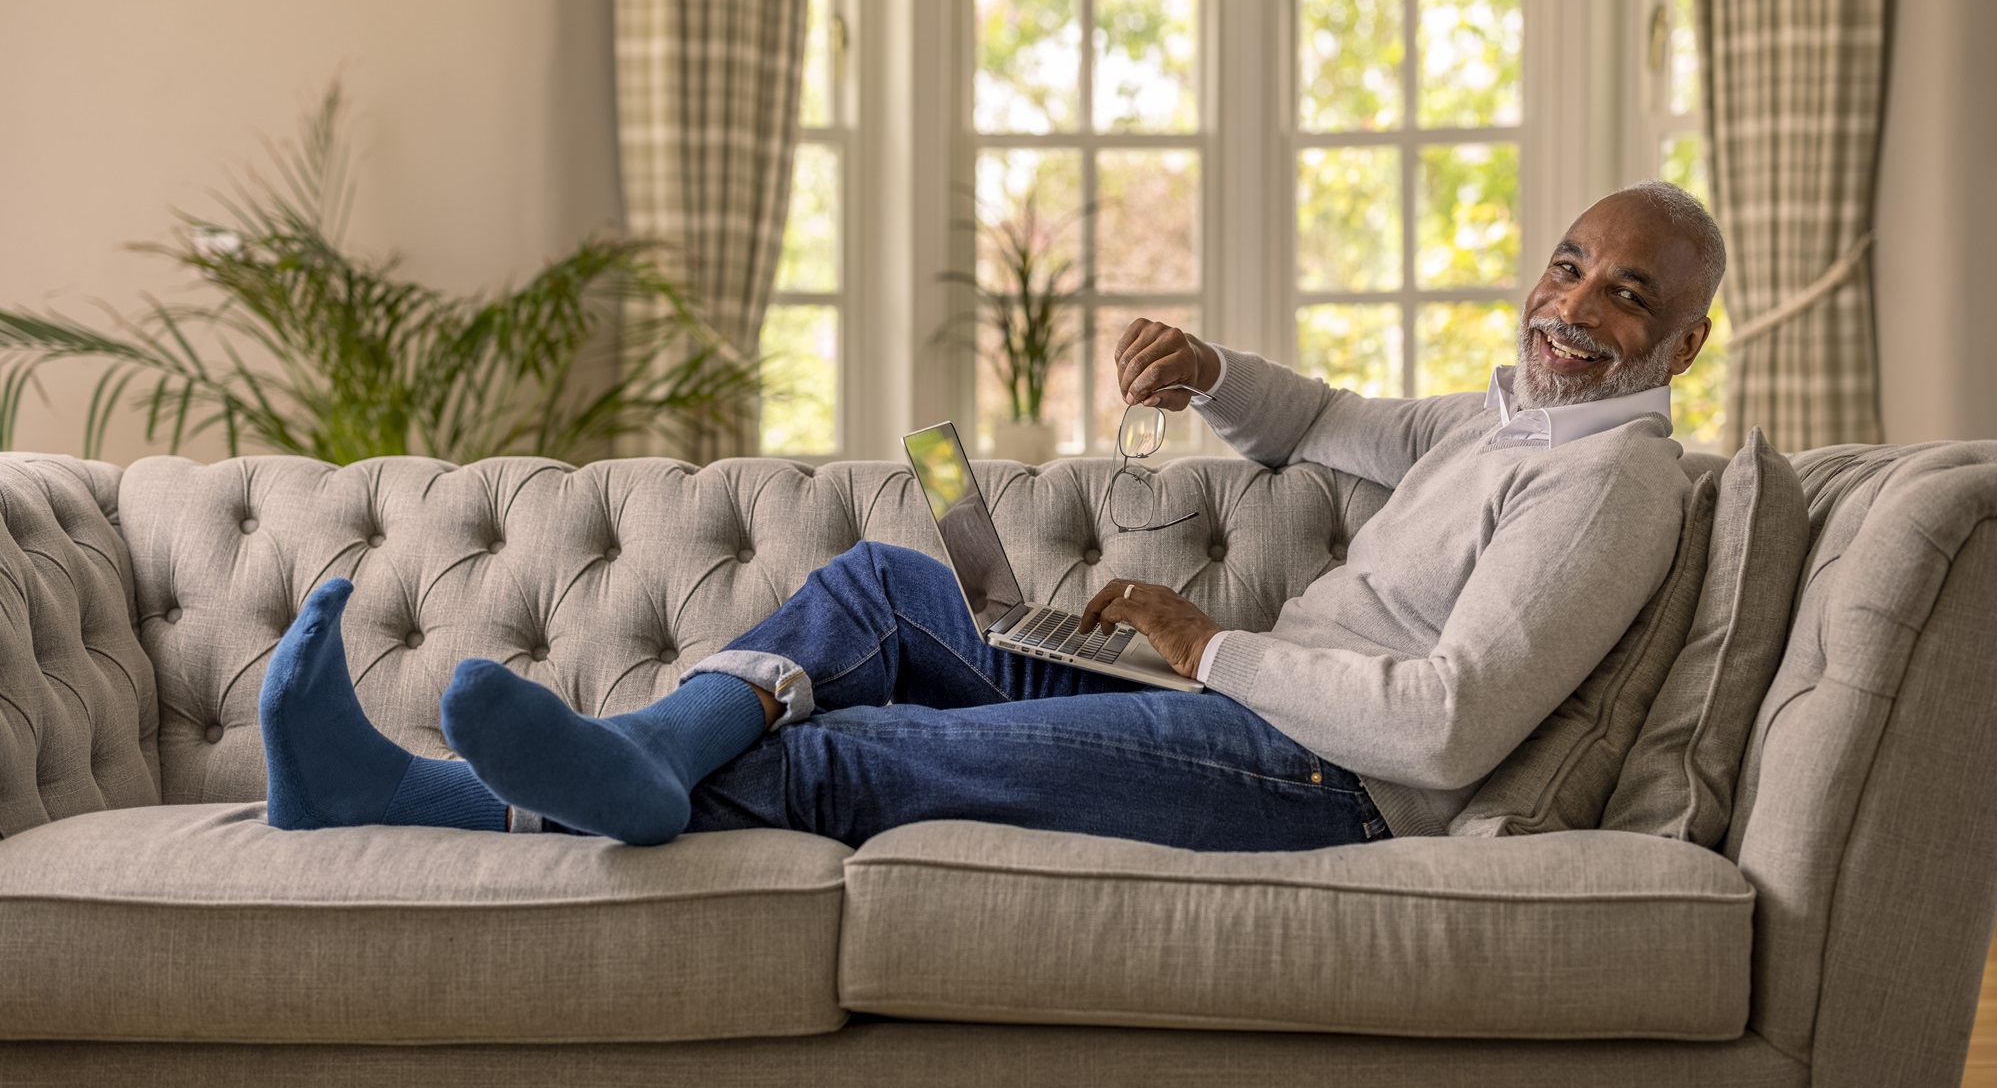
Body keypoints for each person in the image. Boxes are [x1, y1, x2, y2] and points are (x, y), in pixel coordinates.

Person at [260, 181, 1721, 850]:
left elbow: (1447, 729)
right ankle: (645, 753)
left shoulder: (1610, 482)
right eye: (1569, 264)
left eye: (1626, 293)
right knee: (888, 588)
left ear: (1681, 347)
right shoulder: (1507, 420)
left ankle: (428, 795)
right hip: (1251, 712)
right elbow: (1335, 422)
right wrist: (1211, 372)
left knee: (847, 753)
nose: (1574, 304)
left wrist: (1211, 647)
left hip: (1323, 780)